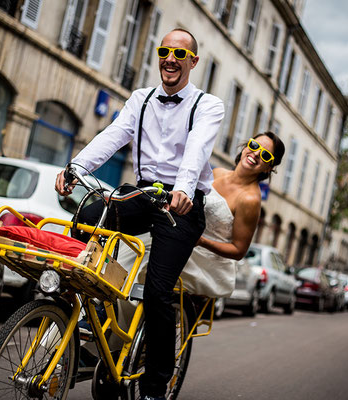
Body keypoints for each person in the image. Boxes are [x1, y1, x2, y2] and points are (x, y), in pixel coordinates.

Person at [55, 28, 224, 400]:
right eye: (165, 51)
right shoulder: (141, 99)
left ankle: (154, 383)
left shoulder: (209, 105)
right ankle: (96, 311)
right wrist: (75, 166)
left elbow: (196, 149)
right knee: (85, 219)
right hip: (144, 194)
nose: (171, 59)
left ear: (193, 62)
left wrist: (182, 188)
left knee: (157, 294)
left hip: (183, 204)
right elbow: (113, 135)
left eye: (180, 54)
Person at [180, 132, 285, 298]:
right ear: (245, 146)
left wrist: (201, 241)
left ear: (269, 167)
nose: (256, 154)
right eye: (254, 146)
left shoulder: (250, 199)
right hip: (182, 242)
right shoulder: (216, 173)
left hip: (204, 264)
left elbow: (238, 250)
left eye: (265, 155)